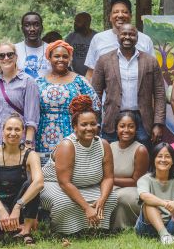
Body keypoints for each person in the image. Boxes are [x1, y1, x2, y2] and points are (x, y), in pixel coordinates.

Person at [40, 96, 118, 235]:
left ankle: (95, 229)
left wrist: (102, 199)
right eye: (84, 124)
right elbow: (64, 183)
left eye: (93, 124)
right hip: (55, 184)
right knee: (63, 202)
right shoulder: (67, 145)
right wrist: (87, 208)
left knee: (111, 197)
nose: (89, 128)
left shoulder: (103, 144)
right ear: (75, 127)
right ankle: (64, 231)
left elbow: (108, 178)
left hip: (86, 186)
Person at [92, 23, 166, 146]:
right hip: (112, 120)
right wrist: (96, 122)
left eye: (132, 34)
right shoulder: (104, 60)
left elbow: (159, 93)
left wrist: (158, 123)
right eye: (124, 34)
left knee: (142, 159)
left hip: (143, 121)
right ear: (117, 36)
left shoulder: (150, 61)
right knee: (112, 159)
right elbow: (95, 93)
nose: (127, 37)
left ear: (137, 38)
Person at [0, 114, 44, 244]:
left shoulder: (30, 155)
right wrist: (1, 210)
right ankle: (13, 229)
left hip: (20, 202)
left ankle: (25, 231)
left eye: (17, 129)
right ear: (3, 131)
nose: (13, 133)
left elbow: (39, 183)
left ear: (23, 133)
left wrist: (18, 206)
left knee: (32, 184)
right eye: (9, 129)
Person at [35, 40, 98, 163]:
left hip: (72, 135)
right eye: (56, 56)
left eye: (65, 56)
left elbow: (95, 106)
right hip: (43, 136)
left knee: (70, 170)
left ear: (69, 58)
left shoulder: (80, 81)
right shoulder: (38, 82)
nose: (61, 59)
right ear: (49, 58)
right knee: (46, 175)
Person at [83, 0, 155, 79]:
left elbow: (153, 72)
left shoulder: (145, 40)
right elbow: (91, 72)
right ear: (110, 16)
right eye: (116, 12)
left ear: (130, 16)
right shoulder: (98, 39)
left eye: (124, 12)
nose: (120, 15)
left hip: (139, 91)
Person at [0, 42, 40, 150]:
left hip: (18, 142)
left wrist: (28, 143)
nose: (6, 58)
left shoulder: (28, 82)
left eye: (10, 54)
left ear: (16, 57)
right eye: (1, 55)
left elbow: (32, 118)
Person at [109, 112, 150, 230]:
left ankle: (122, 226)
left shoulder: (140, 150)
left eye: (131, 126)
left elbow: (137, 181)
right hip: (112, 187)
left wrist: (110, 181)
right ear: (116, 129)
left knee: (119, 196)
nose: (126, 130)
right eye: (122, 126)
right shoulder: (110, 146)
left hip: (134, 190)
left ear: (136, 129)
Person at [15, 12, 51, 79]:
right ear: (22, 28)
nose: (32, 29)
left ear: (41, 27)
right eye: (27, 25)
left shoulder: (51, 49)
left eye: (36, 25)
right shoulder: (14, 50)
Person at [65, 11, 96, 76]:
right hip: (75, 76)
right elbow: (65, 56)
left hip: (93, 75)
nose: (75, 24)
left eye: (78, 21)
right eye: (75, 21)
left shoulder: (96, 37)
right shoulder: (70, 37)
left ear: (87, 23)